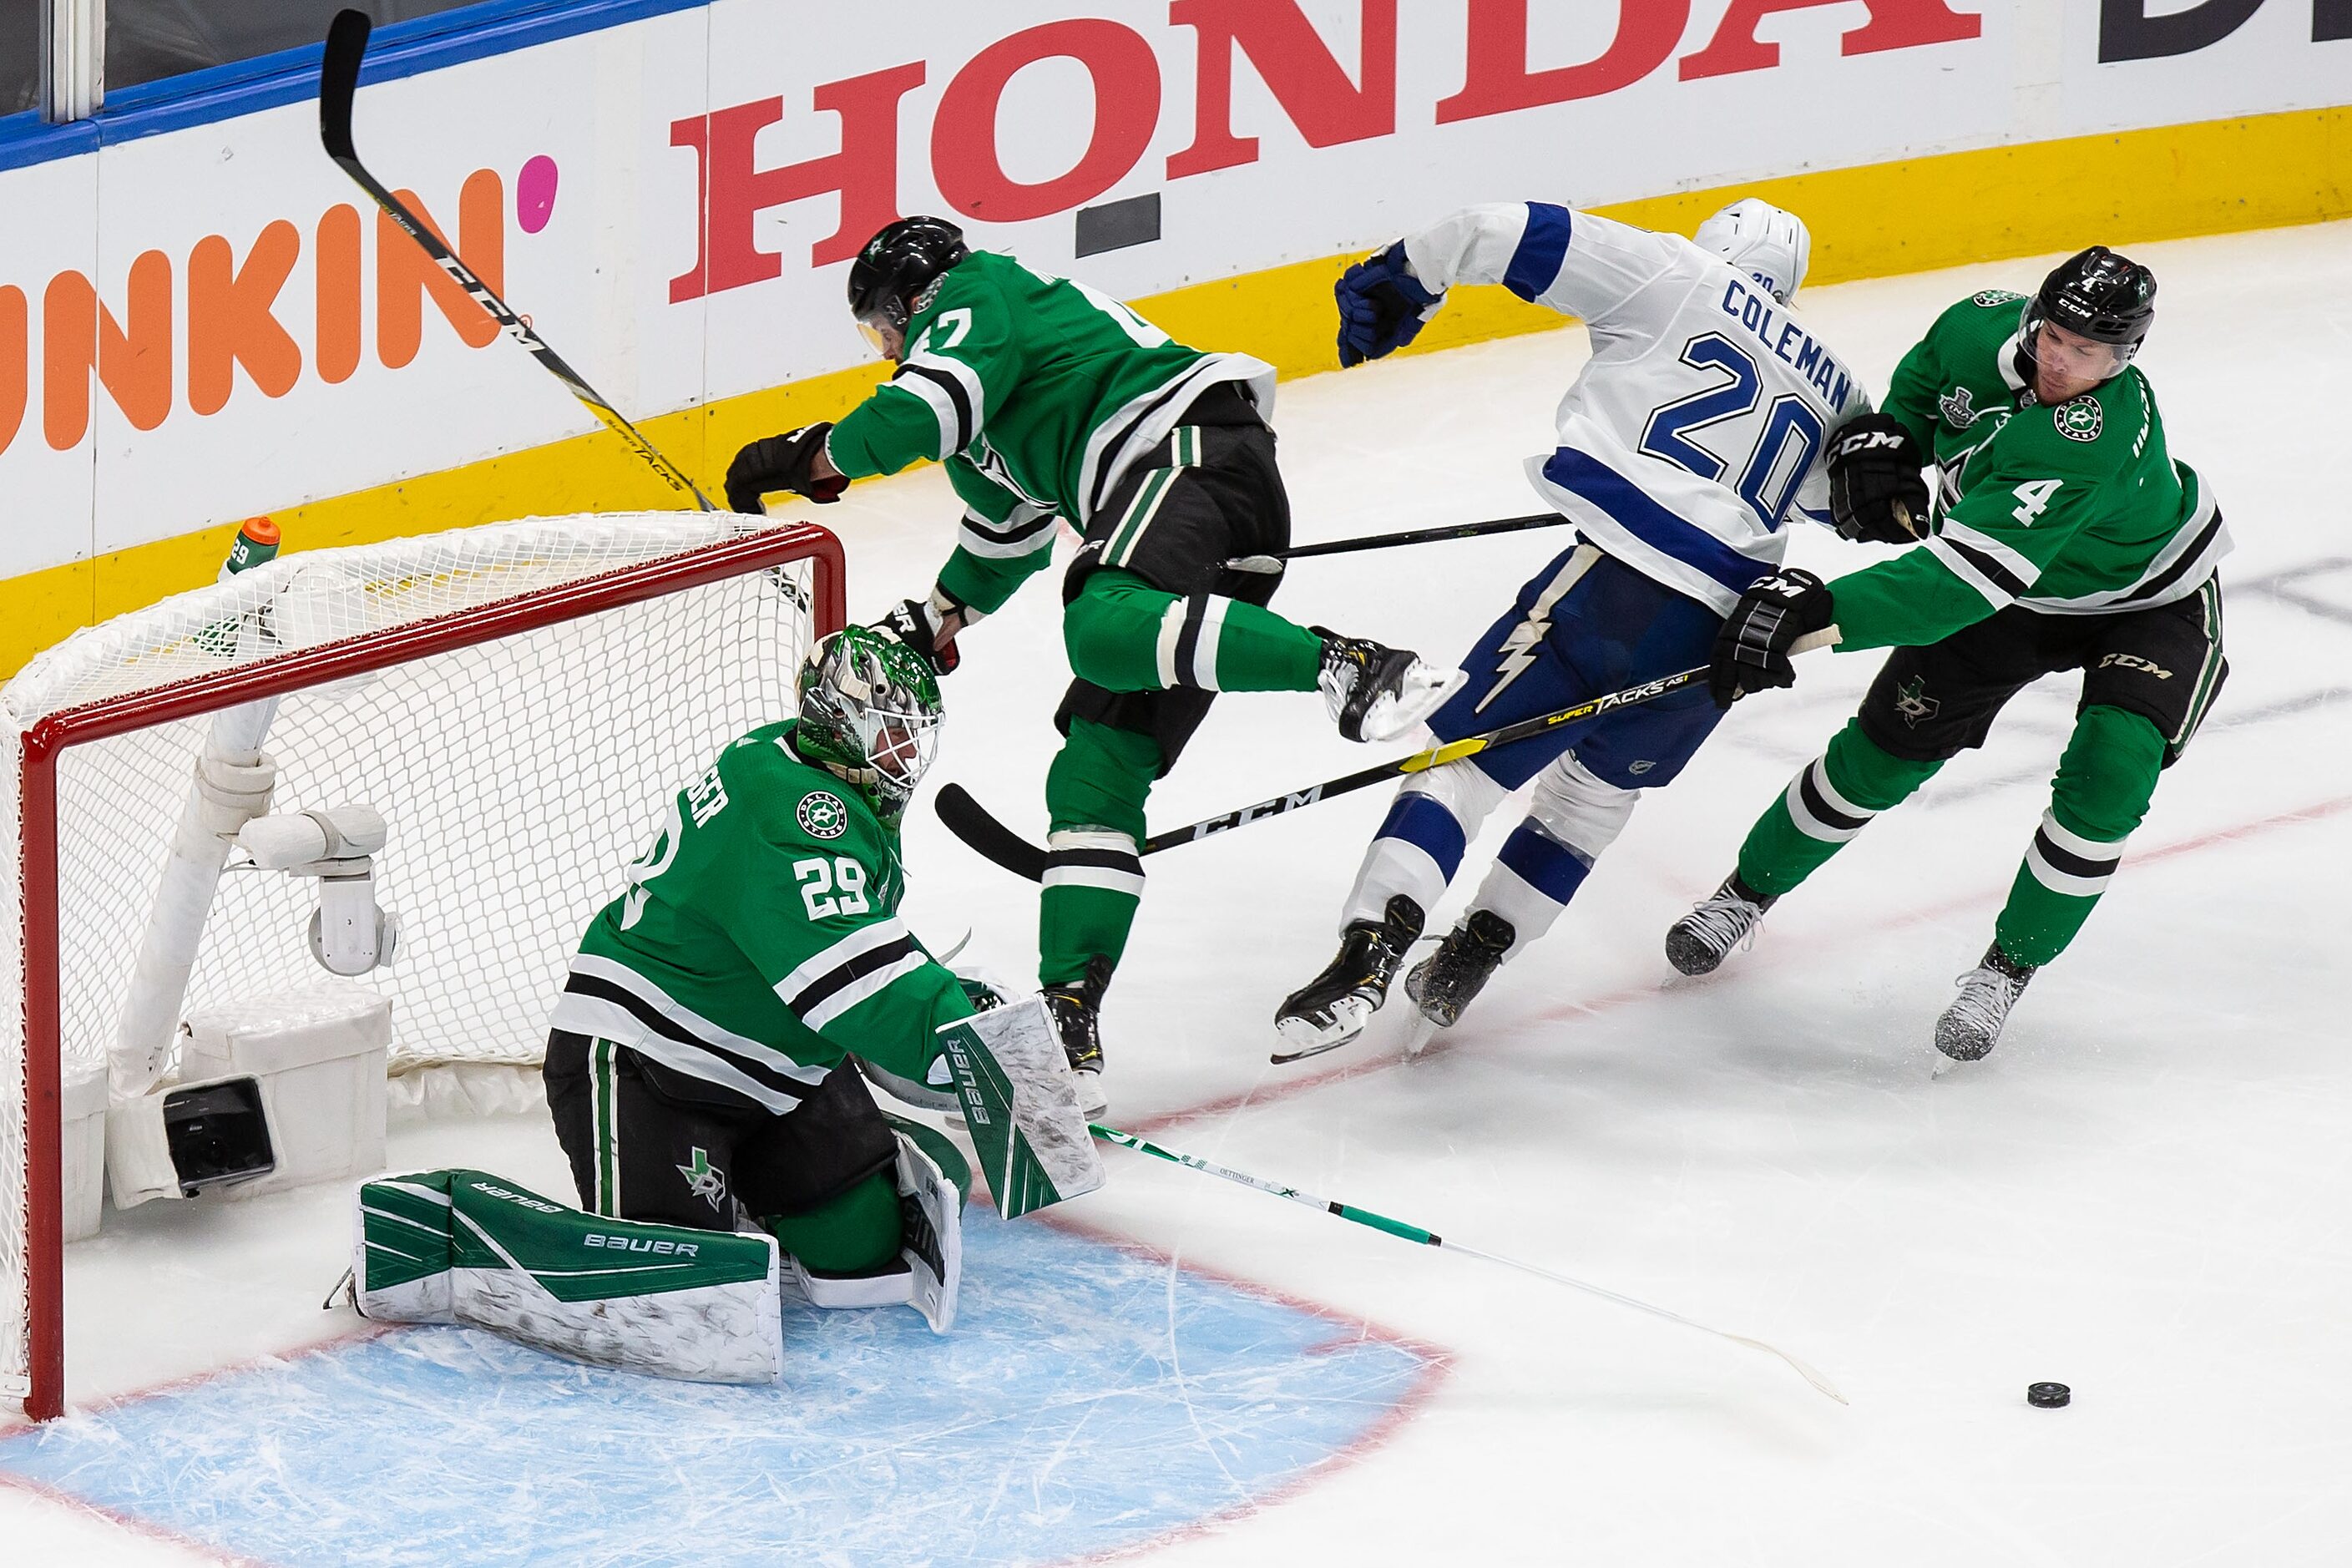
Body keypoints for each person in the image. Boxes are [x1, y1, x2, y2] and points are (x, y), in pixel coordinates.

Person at [723, 216, 1461, 1112]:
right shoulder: (988, 411)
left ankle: (1354, 666)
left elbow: (920, 411)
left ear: (909, 303)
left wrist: (810, 456)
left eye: (883, 331)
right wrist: (937, 618)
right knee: (1095, 777)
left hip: (1191, 456)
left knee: (1101, 621)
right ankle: (1071, 1022)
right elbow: (1006, 537)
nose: (886, 351)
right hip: (1179, 520)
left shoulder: (973, 293)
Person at [1273, 197, 1873, 1059]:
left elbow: (1503, 229)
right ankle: (1478, 953)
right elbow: (1859, 509)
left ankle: (1370, 953)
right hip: (1723, 645)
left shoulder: (1678, 273)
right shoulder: (1836, 386)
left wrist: (1405, 275)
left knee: (1459, 767)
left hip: (1613, 596)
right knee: (1592, 802)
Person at [1665, 245, 2228, 1062]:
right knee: (1876, 759)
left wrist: (1820, 613)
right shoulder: (1977, 325)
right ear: (2035, 316)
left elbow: (1958, 587)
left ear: (2125, 357)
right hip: (2013, 592)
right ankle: (1741, 897)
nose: (2063, 362)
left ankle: (2009, 965)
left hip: (2144, 600)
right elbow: (1927, 387)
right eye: (2056, 337)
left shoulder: (2090, 438)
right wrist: (1895, 438)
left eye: (2089, 353)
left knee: (2113, 769)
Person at [542, 626, 993, 1329]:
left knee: (864, 1255)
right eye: (890, 732)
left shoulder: (814, 770)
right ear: (840, 723)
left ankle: (780, 1174)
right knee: (683, 1290)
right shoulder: (794, 808)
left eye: (914, 735)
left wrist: (946, 1018)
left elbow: (851, 945)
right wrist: (958, 1038)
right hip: (652, 1057)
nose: (905, 755)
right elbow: (845, 976)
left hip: (781, 1073)